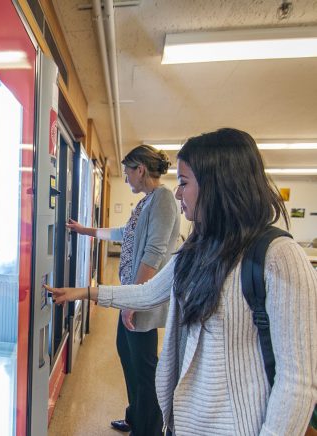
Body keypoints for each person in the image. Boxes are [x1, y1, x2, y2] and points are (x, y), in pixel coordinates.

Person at [47, 128, 317, 436]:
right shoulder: (199, 248)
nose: (177, 193)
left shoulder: (280, 257)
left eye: (185, 183)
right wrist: (82, 292)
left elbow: (296, 384)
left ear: (217, 185)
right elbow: (150, 291)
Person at [67, 144, 180, 435]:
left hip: (140, 298)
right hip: (130, 296)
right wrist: (86, 231)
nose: (127, 178)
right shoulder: (146, 201)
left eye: (128, 172)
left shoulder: (163, 199)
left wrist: (136, 301)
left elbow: (153, 253)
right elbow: (123, 234)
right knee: (127, 354)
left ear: (140, 169)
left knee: (144, 368)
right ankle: (135, 417)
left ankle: (148, 429)